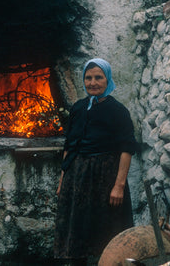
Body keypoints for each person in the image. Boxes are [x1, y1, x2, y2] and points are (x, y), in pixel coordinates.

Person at [54, 58, 139, 265]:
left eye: (98, 77)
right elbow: (70, 146)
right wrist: (62, 180)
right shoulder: (78, 108)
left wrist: (118, 186)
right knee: (78, 228)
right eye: (88, 77)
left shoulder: (118, 111)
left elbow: (126, 149)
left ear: (107, 79)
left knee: (108, 228)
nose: (93, 82)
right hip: (77, 176)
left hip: (105, 176)